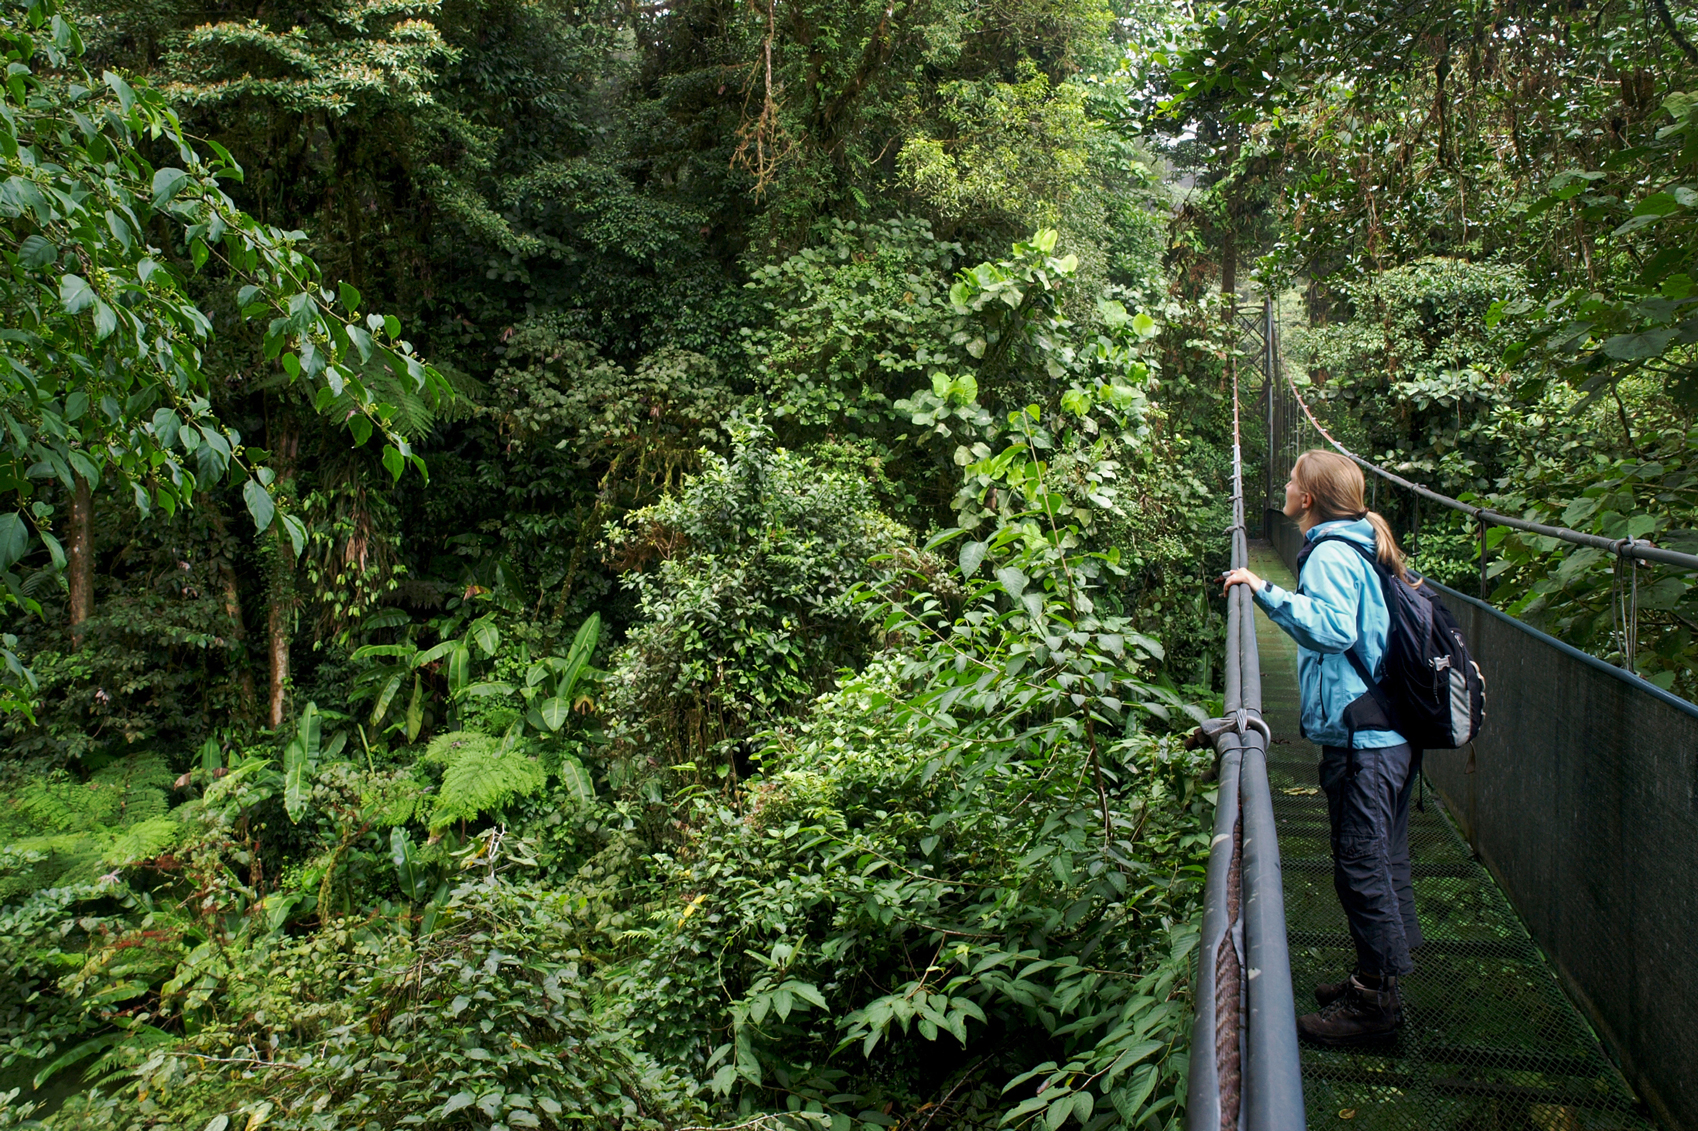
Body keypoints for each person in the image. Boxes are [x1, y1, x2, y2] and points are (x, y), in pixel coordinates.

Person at [1221, 448, 1422, 1044]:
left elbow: (1335, 629)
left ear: (1307, 498)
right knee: (1381, 862)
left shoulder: (1332, 552)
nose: (1283, 487)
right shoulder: (1363, 542)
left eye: (1290, 482)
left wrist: (1262, 589)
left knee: (1361, 869)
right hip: (1387, 732)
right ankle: (1373, 978)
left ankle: (1376, 1007)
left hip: (1367, 742)